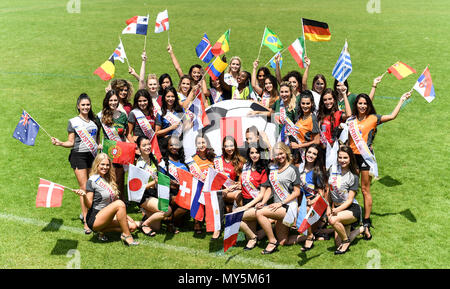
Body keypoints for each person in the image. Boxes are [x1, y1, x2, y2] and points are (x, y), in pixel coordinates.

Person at [346, 91, 412, 240]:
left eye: (365, 103)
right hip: (350, 158)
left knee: (364, 189)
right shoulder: (351, 119)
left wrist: (401, 99)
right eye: (360, 103)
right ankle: (350, 217)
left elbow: (392, 116)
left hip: (365, 158)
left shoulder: (373, 118)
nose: (362, 106)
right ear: (356, 105)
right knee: (350, 188)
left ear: (369, 105)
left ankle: (367, 222)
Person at [51, 93, 100, 234]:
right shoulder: (73, 122)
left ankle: (90, 214)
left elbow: (97, 141)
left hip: (93, 156)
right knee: (84, 188)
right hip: (78, 156)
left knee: (92, 187)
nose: (86, 107)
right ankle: (86, 220)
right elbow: (71, 142)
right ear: (78, 106)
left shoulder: (95, 121)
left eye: (88, 104)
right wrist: (60, 143)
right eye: (83, 105)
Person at [75, 153, 139, 245]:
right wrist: (84, 195)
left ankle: (101, 231)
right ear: (97, 165)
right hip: (95, 218)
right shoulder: (92, 180)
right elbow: (89, 205)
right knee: (120, 203)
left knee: (132, 226)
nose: (105, 167)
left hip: (107, 214)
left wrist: (126, 217)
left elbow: (113, 200)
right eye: (102, 164)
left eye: (107, 165)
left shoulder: (109, 179)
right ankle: (127, 235)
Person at [256, 142, 301, 254]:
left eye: (281, 153)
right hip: (277, 207)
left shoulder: (293, 169)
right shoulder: (273, 168)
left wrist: (281, 203)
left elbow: (297, 192)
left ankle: (272, 242)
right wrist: (263, 202)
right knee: (283, 241)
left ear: (286, 152)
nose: (279, 156)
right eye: (276, 154)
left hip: (288, 207)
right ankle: (309, 237)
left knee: (260, 213)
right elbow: (270, 188)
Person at [327, 145, 364, 254]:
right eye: (340, 157)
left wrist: (337, 210)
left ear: (350, 159)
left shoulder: (353, 176)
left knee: (332, 220)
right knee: (338, 245)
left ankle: (346, 240)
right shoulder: (332, 169)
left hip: (351, 209)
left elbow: (349, 200)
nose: (342, 160)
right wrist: (329, 206)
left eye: (345, 158)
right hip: (338, 208)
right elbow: (329, 190)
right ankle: (361, 229)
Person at [135, 136, 172, 237]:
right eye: (144, 145)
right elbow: (138, 188)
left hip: (154, 193)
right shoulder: (139, 165)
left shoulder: (153, 158)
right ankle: (145, 224)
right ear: (138, 148)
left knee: (156, 228)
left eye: (148, 144)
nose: (147, 147)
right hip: (144, 196)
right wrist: (154, 182)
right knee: (167, 209)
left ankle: (140, 222)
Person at [97, 90, 128, 201]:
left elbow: (127, 134)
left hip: (120, 151)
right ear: (107, 101)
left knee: (119, 177)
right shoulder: (101, 115)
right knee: (108, 176)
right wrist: (98, 144)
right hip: (108, 151)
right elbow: (97, 132)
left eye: (115, 100)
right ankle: (108, 201)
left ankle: (120, 201)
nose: (113, 102)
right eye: (111, 100)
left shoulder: (123, 116)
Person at [238, 143, 270, 250]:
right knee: (250, 234)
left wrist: (246, 207)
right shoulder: (246, 166)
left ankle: (253, 238)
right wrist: (236, 186)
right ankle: (254, 236)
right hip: (245, 200)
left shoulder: (263, 169)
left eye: (257, 152)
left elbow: (261, 194)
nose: (254, 155)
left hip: (255, 202)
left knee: (235, 217)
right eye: (252, 153)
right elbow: (243, 182)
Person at [297, 144, 327, 251]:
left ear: (317, 157)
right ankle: (319, 232)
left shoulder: (317, 171)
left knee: (304, 210)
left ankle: (310, 237)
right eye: (309, 152)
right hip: (305, 203)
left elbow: (321, 194)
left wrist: (312, 201)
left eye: (314, 154)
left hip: (318, 204)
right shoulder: (299, 169)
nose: (310, 155)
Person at [160, 136, 190, 233]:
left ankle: (169, 220)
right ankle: (171, 222)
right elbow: (161, 182)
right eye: (171, 145)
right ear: (167, 146)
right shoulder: (163, 163)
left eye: (176, 145)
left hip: (184, 191)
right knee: (186, 204)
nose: (174, 147)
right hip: (170, 194)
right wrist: (172, 184)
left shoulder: (183, 162)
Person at [188, 134, 216, 234]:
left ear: (207, 143)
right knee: (198, 193)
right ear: (196, 145)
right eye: (199, 143)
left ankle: (212, 223)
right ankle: (197, 222)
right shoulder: (192, 159)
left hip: (211, 186)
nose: (201, 145)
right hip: (198, 186)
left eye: (203, 142)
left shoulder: (213, 157)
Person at [214, 136, 245, 213]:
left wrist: (238, 185)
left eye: (231, 145)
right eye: (226, 146)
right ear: (223, 147)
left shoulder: (240, 161)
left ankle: (243, 217)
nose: (229, 148)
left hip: (231, 190)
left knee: (238, 195)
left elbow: (240, 181)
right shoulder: (218, 160)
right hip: (219, 190)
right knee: (227, 210)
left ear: (235, 146)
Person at [155, 86, 186, 156]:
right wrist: (171, 128)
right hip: (165, 144)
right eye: (168, 96)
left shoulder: (180, 111)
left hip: (179, 142)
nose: (170, 99)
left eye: (172, 96)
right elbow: (157, 133)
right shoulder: (160, 113)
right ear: (164, 98)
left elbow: (185, 127)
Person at [290, 90, 320, 163]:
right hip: (295, 152)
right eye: (303, 103)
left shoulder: (313, 119)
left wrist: (299, 146)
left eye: (308, 103)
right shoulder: (299, 115)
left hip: (305, 154)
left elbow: (317, 141)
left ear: (312, 103)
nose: (305, 106)